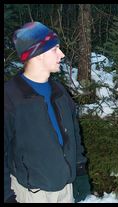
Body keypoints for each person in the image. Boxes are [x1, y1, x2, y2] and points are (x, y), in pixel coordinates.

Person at [4, 21, 91, 203]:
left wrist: (80, 171)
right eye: (55, 49)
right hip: (32, 194)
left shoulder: (59, 91)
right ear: (37, 54)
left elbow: (74, 133)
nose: (62, 54)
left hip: (65, 190)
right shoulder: (10, 97)